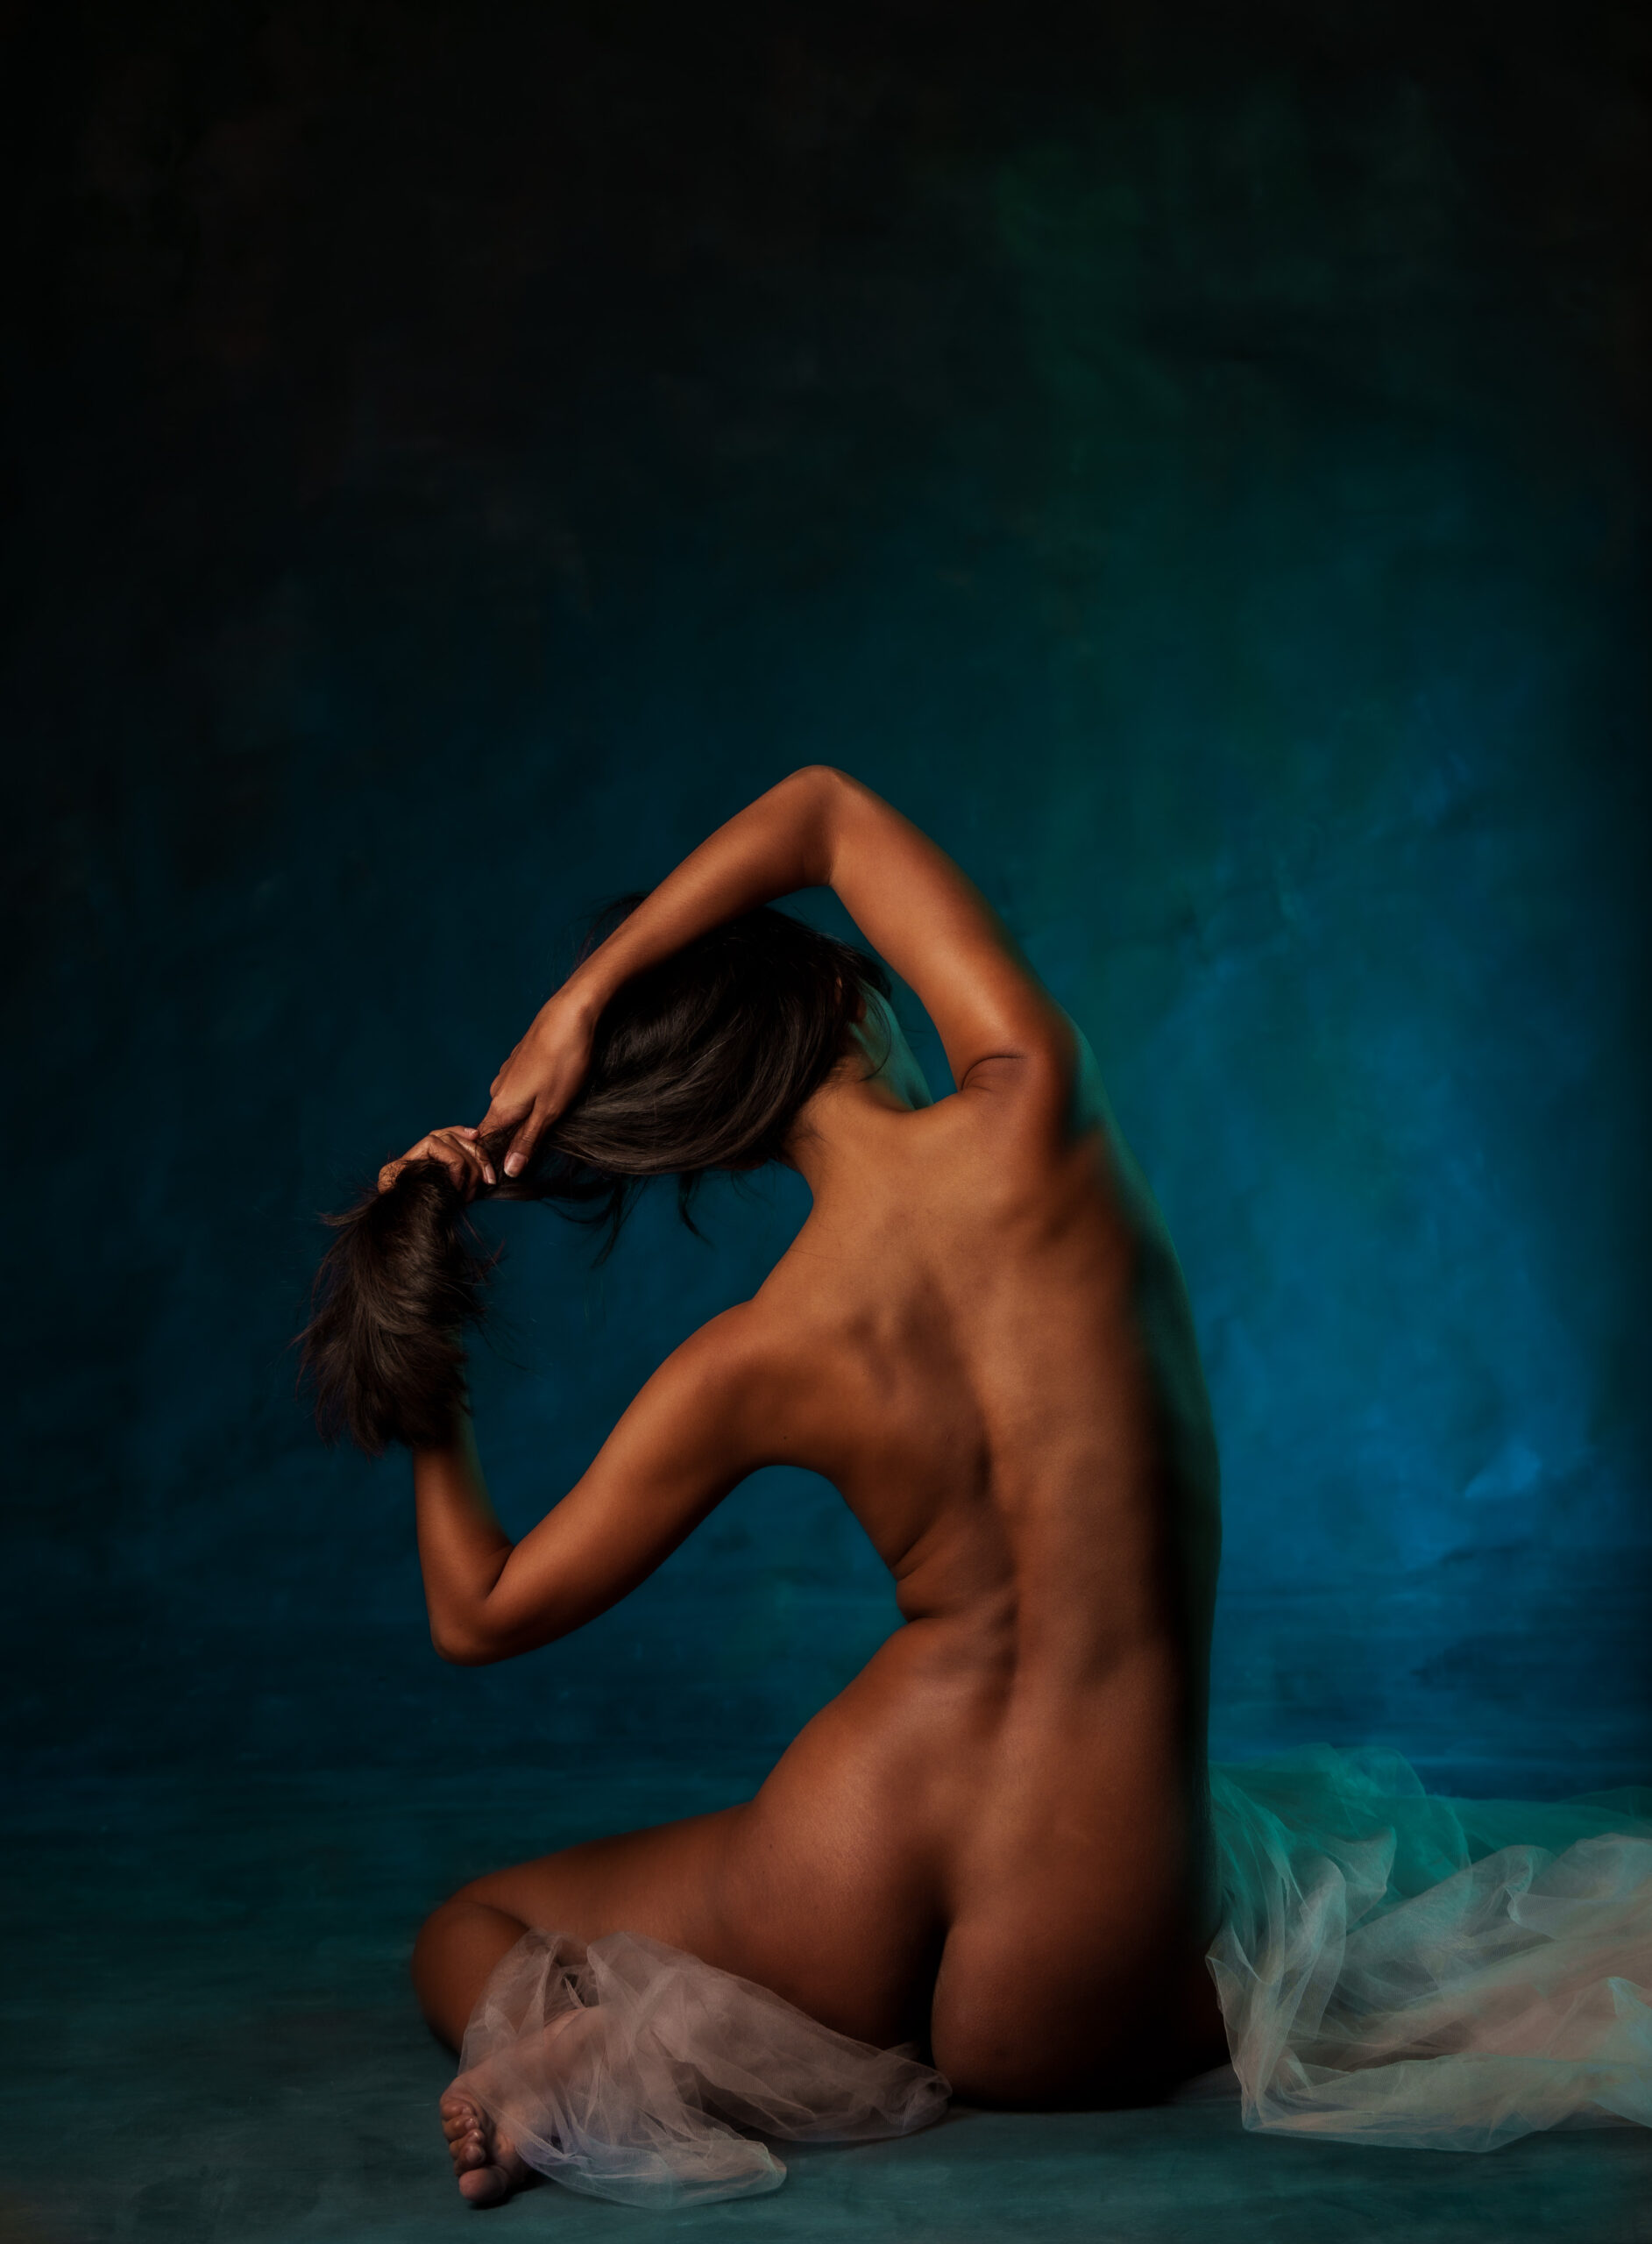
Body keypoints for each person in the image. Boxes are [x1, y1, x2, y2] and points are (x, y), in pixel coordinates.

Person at [303, 768, 1650, 2210]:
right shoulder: (1032, 1108)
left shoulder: (752, 1353)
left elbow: (481, 1611)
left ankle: (581, 2056)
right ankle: (666, 2058)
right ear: (850, 999)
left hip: (845, 1852)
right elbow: (822, 815)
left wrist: (426, 1343)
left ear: (723, 1131)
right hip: (1089, 1908)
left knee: (480, 1919)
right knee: (1353, 1921)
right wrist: (581, 1003)